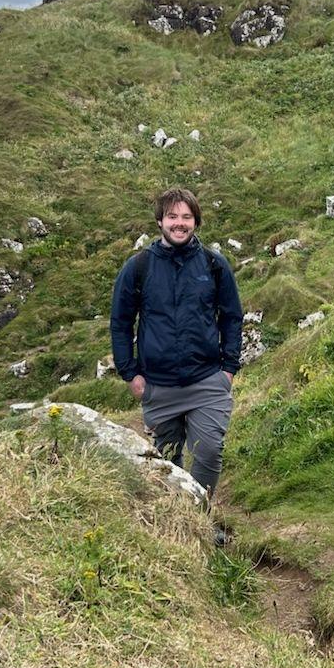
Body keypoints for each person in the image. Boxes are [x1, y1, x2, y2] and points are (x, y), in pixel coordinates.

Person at [110, 186, 243, 495]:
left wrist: (228, 369)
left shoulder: (213, 264)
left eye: (186, 217)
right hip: (159, 385)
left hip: (208, 381)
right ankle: (180, 521)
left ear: (195, 222)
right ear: (160, 221)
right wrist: (130, 374)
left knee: (209, 452)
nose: (179, 223)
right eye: (172, 217)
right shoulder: (138, 267)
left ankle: (200, 515)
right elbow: (120, 323)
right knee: (168, 460)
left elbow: (232, 316)